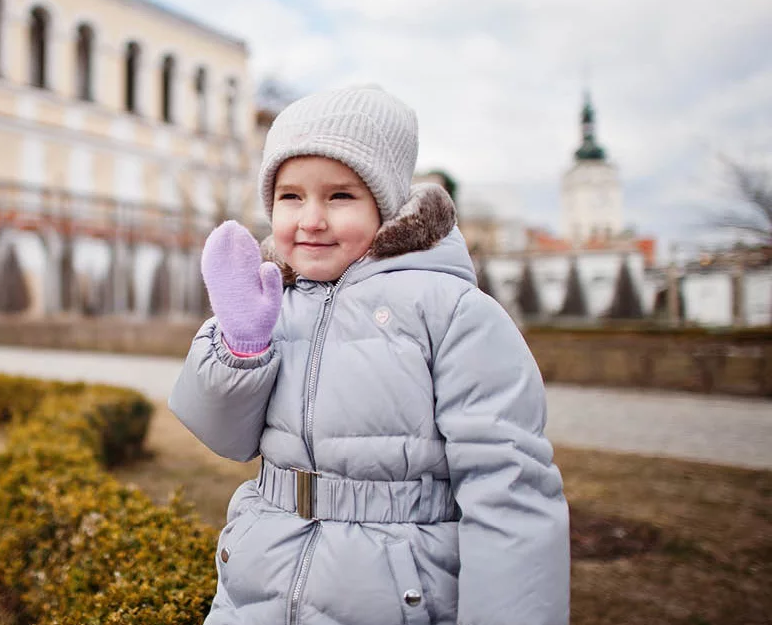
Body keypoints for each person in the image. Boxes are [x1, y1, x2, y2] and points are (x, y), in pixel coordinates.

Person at [169, 84, 570, 625]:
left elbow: (510, 491)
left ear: (386, 206)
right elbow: (225, 438)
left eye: (339, 197)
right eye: (290, 197)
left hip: (393, 599)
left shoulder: (451, 313)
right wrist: (241, 349)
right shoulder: (272, 302)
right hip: (257, 593)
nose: (310, 219)